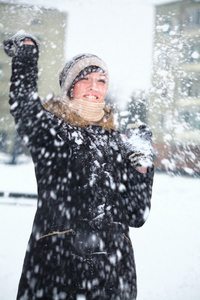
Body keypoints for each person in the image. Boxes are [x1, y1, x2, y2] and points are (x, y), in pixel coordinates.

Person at [4, 31, 154, 300]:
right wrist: (27, 54)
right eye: (84, 79)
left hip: (114, 273)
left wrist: (142, 164)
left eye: (101, 80)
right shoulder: (52, 130)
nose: (94, 87)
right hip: (59, 265)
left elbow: (136, 215)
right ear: (70, 86)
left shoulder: (118, 141)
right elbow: (23, 104)